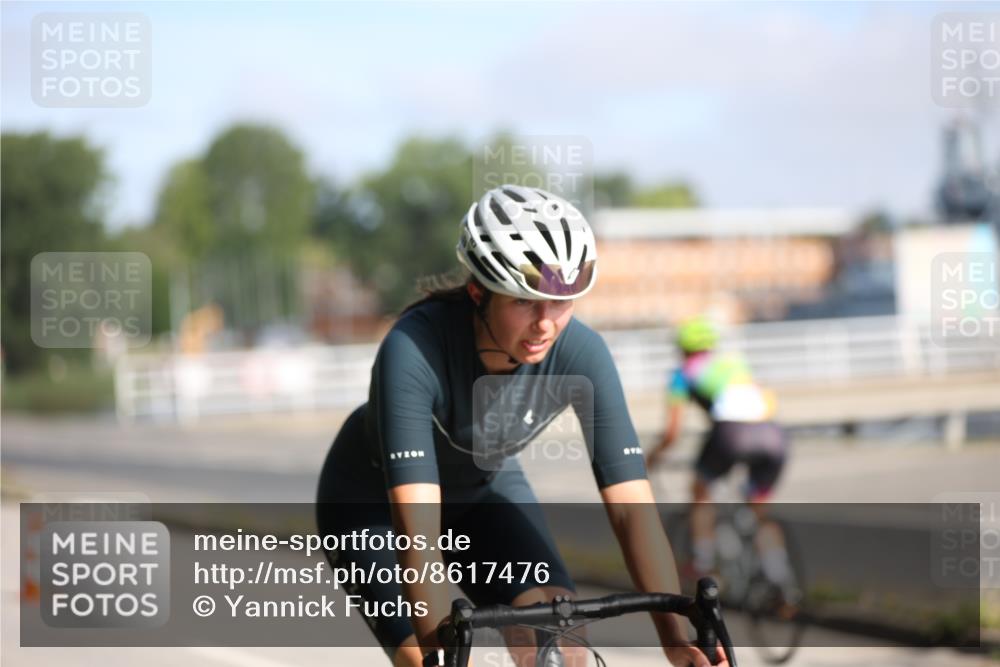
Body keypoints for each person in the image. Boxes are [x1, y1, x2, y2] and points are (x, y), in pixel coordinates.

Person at [316, 185, 727, 667]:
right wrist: (437, 656)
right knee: (429, 660)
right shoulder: (412, 349)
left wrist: (676, 640)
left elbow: (632, 510)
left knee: (560, 646)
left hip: (483, 492)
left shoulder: (582, 354)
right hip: (374, 509)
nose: (545, 324)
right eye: (524, 302)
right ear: (478, 292)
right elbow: (419, 538)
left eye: (561, 301)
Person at [645, 316, 792, 586]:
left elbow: (672, 433)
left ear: (682, 349)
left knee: (701, 492)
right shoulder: (735, 363)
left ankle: (702, 562)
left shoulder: (683, 374)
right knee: (759, 513)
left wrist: (652, 458)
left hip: (731, 433)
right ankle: (781, 581)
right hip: (774, 435)